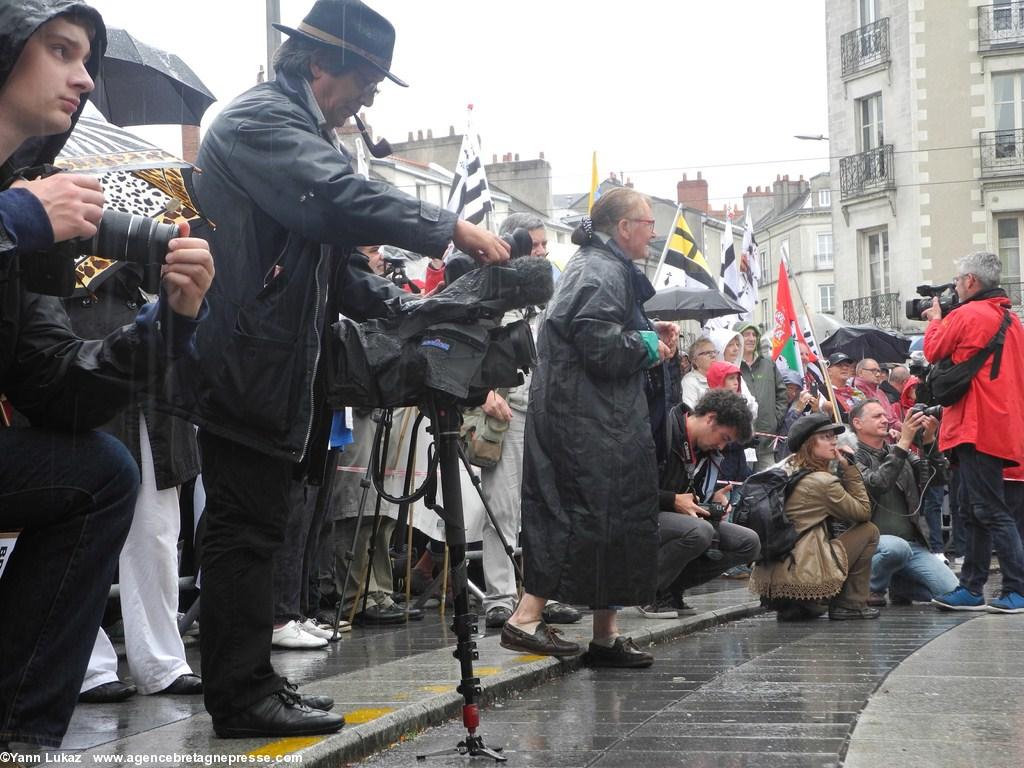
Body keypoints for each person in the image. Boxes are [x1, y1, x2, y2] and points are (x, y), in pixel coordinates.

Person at [160, 0, 510, 738]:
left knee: (261, 535)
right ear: (322, 64)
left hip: (280, 368)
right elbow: (336, 201)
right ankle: (241, 694)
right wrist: (446, 226)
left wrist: (411, 312)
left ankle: (254, 685)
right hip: (245, 364)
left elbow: (340, 265)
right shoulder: (261, 121)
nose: (368, 101)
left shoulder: (303, 132)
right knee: (244, 534)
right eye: (367, 82)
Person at [0, 0, 213, 748]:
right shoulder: (25, 207)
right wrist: (18, 220)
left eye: (87, 58)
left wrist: (169, 324)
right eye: (61, 51)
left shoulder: (32, 191)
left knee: (102, 472)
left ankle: (19, 740)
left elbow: (54, 382)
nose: (83, 77)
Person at [501, 188, 675, 669]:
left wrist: (647, 332)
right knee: (581, 515)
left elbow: (598, 329)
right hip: (587, 423)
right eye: (647, 221)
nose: (653, 231)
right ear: (623, 228)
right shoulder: (599, 269)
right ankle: (526, 618)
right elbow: (599, 343)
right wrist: (647, 345)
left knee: (611, 519)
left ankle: (605, 634)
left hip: (597, 418)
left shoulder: (600, 266)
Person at [67, 267, 204, 702]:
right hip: (87, 359)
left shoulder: (162, 211)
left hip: (155, 381)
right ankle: (85, 663)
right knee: (79, 534)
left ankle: (162, 660)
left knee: (158, 531)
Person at [476, 213, 580, 630]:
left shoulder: (548, 296)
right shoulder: (490, 289)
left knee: (544, 508)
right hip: (507, 409)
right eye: (534, 244)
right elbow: (469, 346)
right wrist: (482, 393)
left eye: (543, 245)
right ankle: (500, 598)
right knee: (501, 507)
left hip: (545, 411)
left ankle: (541, 593)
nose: (542, 251)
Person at [924, 252, 1024, 613]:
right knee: (974, 510)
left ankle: (1017, 588)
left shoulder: (966, 314)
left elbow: (934, 350)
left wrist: (936, 319)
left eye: (956, 280)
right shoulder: (1013, 323)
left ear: (970, 281)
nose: (953, 286)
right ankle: (971, 587)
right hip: (999, 425)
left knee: (990, 509)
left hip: (975, 425)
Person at [750, 414, 879, 621]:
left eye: (834, 437)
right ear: (809, 444)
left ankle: (808, 605)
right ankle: (850, 604)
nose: (834, 441)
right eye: (826, 437)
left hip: (772, 581)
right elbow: (863, 512)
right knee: (869, 530)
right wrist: (851, 469)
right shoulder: (822, 482)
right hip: (802, 579)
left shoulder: (784, 470)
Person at [643, 390, 760, 616]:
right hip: (641, 516)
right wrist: (673, 499)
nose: (722, 447)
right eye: (724, 438)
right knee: (699, 532)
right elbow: (629, 488)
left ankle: (672, 587)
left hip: (675, 519)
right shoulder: (661, 431)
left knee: (749, 542)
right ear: (710, 419)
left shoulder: (708, 453)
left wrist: (711, 500)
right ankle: (649, 592)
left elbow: (690, 493)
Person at [849, 400, 959, 606]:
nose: (884, 420)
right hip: (871, 545)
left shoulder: (898, 450)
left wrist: (929, 441)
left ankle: (896, 583)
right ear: (857, 423)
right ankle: (868, 589)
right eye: (876, 416)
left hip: (912, 546)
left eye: (884, 415)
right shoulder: (850, 456)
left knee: (950, 591)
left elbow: (939, 478)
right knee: (895, 548)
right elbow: (877, 483)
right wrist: (905, 441)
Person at [735, 322, 787, 471]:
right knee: (743, 487)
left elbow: (781, 394)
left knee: (769, 484)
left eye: (754, 335)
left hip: (767, 442)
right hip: (742, 442)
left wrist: (775, 420)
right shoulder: (732, 366)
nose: (751, 338)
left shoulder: (768, 364)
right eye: (746, 335)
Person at [775, 369, 819, 461]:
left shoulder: (800, 405)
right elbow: (785, 432)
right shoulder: (773, 404)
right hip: (777, 454)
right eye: (790, 388)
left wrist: (815, 411)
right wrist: (797, 411)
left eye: (797, 389)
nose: (793, 393)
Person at [853, 359, 898, 431]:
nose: (878, 374)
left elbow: (893, 418)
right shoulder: (855, 390)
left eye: (878, 371)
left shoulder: (880, 392)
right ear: (861, 372)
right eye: (873, 371)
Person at [821, 353, 864, 422]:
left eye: (847, 365)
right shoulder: (822, 391)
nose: (845, 368)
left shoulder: (856, 392)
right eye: (839, 365)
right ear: (828, 371)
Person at [681, 336, 717, 407]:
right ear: (695, 360)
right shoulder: (689, 381)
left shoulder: (719, 377)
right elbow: (689, 410)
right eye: (707, 353)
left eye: (714, 352)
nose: (713, 356)